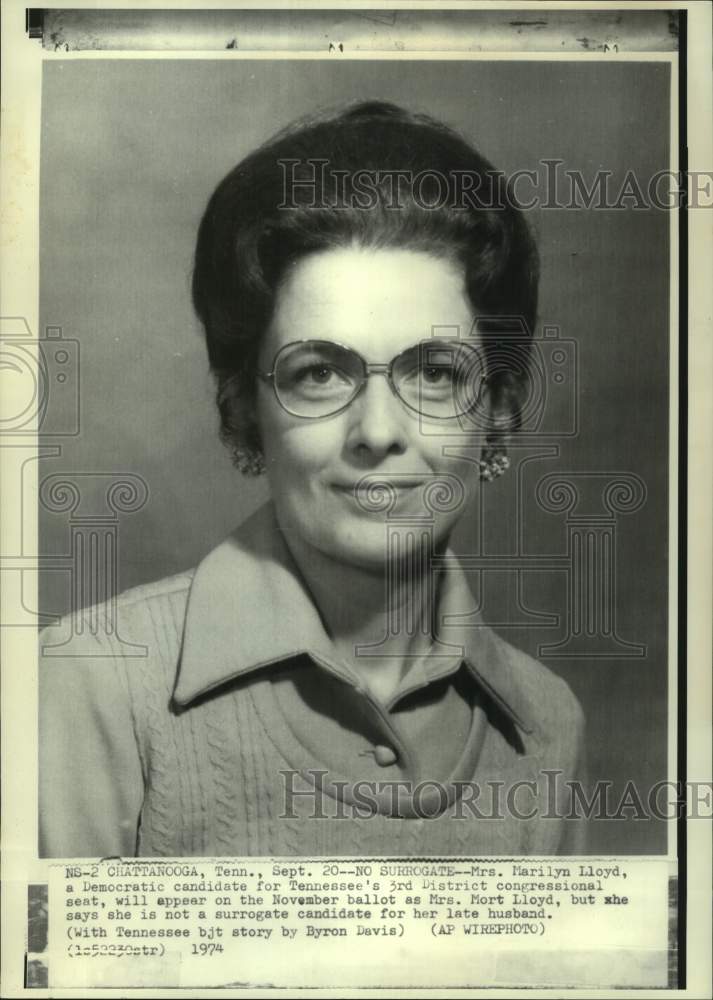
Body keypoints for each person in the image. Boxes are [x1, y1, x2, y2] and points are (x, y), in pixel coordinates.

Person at [39, 101, 586, 858]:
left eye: (433, 372)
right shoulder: (86, 688)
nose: (376, 432)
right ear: (243, 411)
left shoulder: (547, 723)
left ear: (494, 409)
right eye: (320, 372)